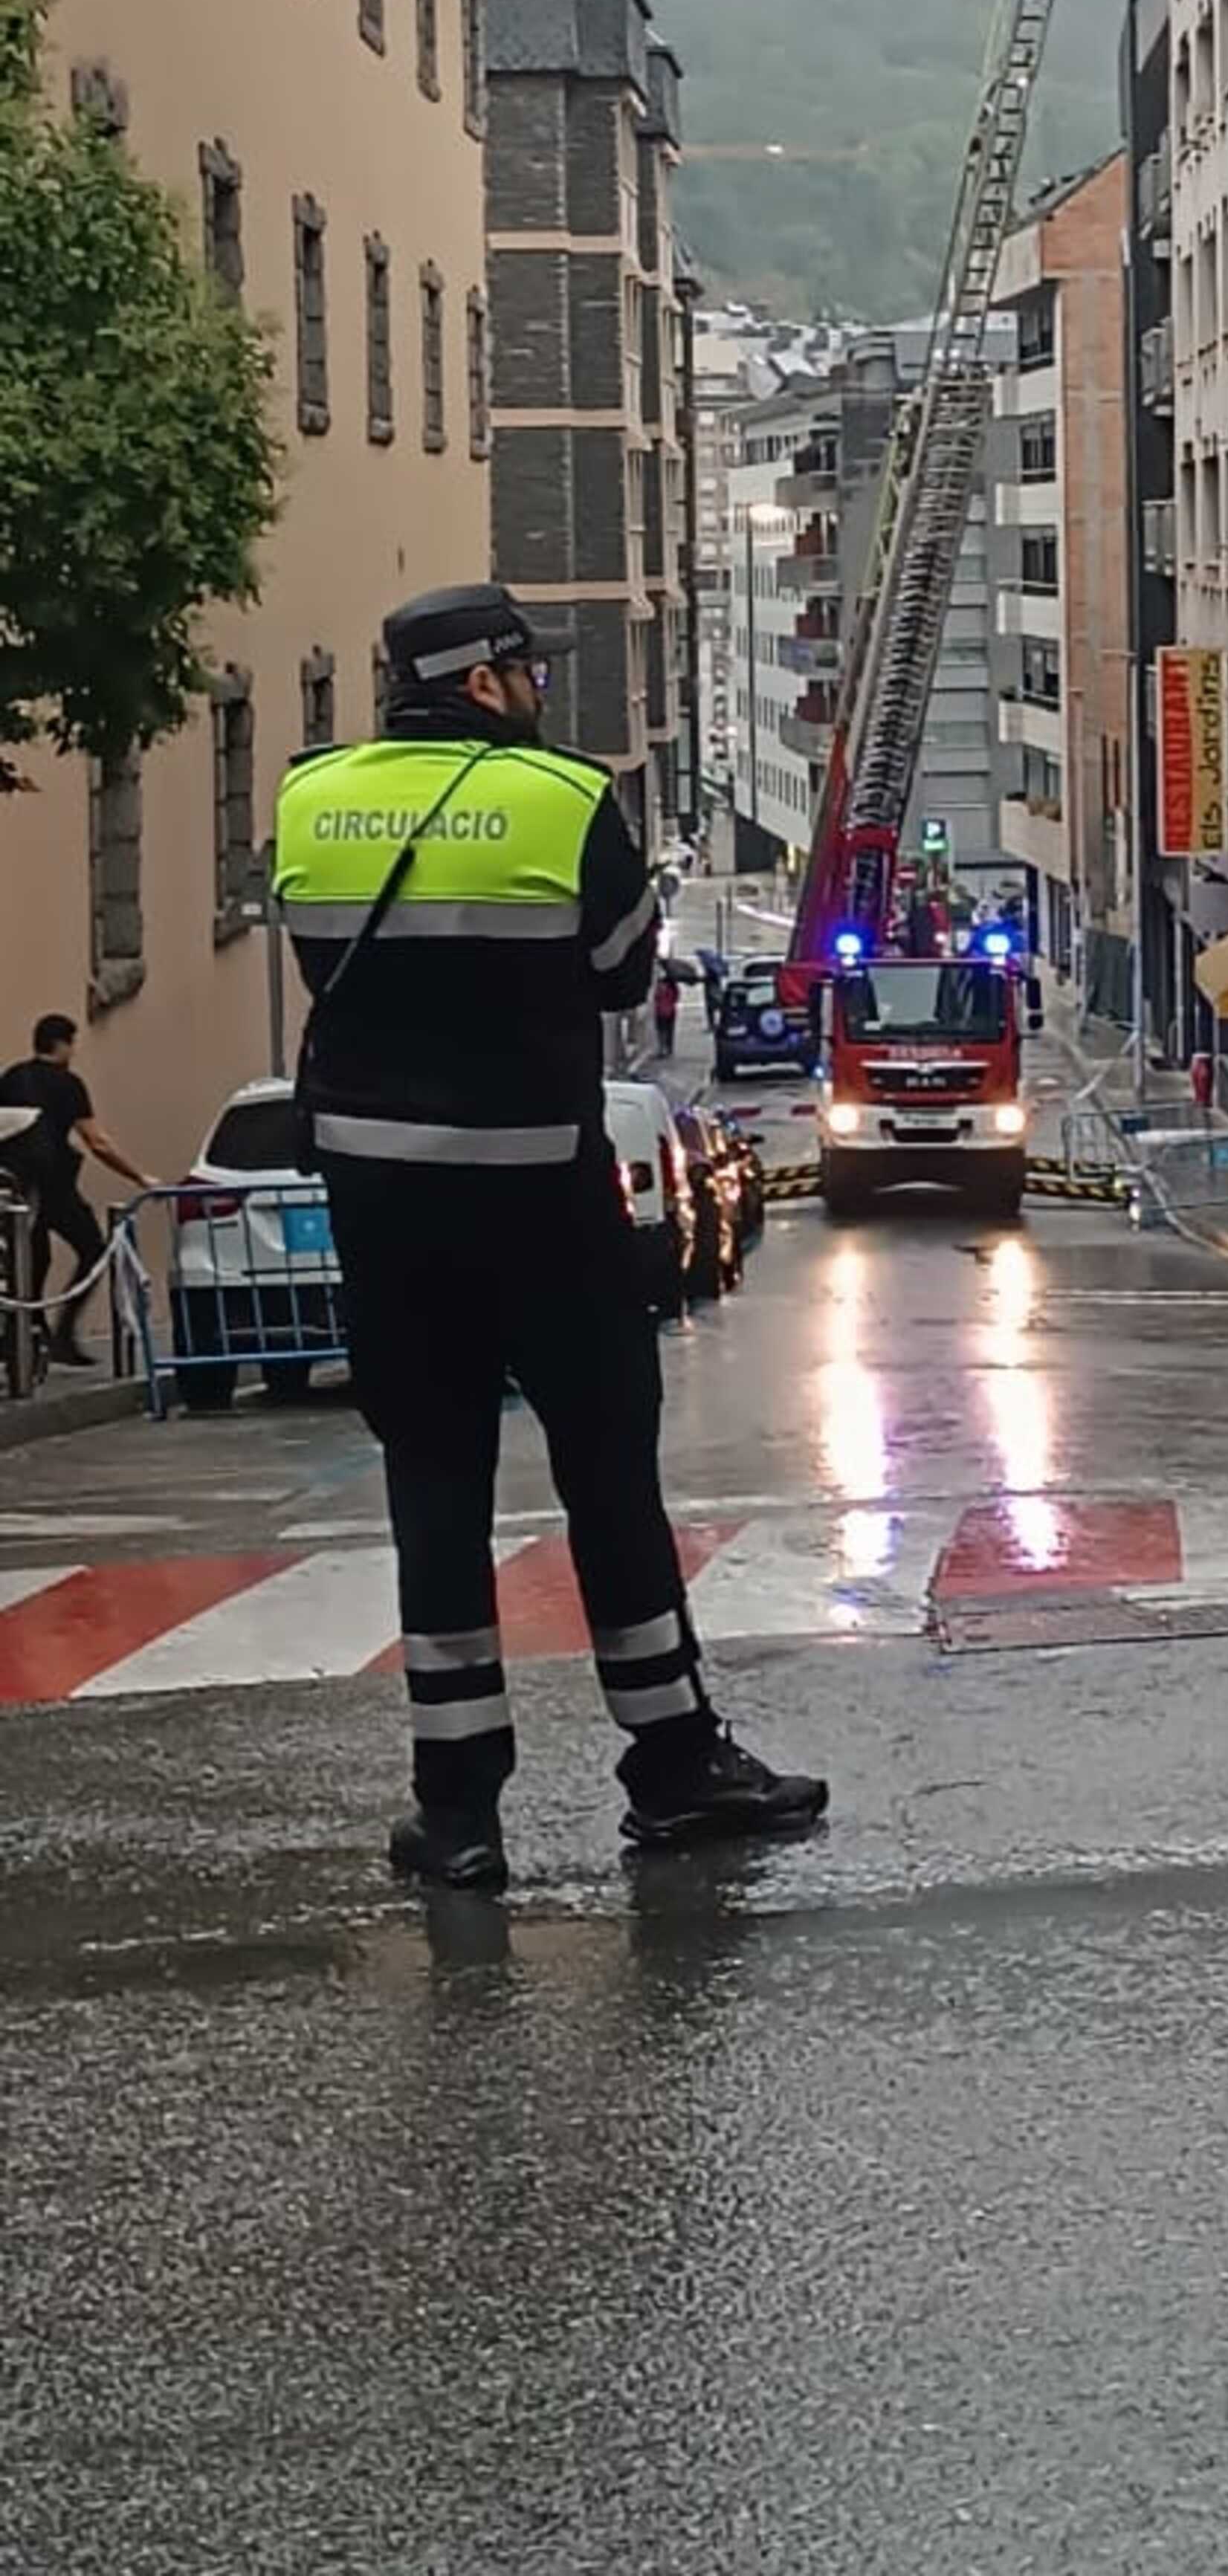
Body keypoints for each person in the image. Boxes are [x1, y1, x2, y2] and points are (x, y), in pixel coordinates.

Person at [273, 582, 827, 1892]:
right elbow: (623, 971)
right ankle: (672, 1762)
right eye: (523, 669)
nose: (539, 688)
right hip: (535, 1185)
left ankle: (457, 1811)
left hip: (379, 1194)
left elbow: (315, 960)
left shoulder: (310, 797)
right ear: (478, 685)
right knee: (604, 1471)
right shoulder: (566, 800)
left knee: (434, 1483)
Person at [0, 1013, 150, 1365]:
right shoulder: (68, 1084)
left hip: (15, 1186)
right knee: (93, 1249)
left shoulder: (12, 1077)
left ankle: (28, 1335)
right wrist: (139, 1176)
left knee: (29, 1260)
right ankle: (63, 1334)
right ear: (63, 1044)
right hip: (55, 1186)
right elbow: (97, 1142)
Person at [652, 963, 681, 1060]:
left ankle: (662, 1049)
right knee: (670, 1031)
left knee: (661, 1031)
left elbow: (656, 998)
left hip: (660, 1011)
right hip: (671, 1011)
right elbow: (676, 998)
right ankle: (669, 1049)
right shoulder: (673, 988)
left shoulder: (660, 987)